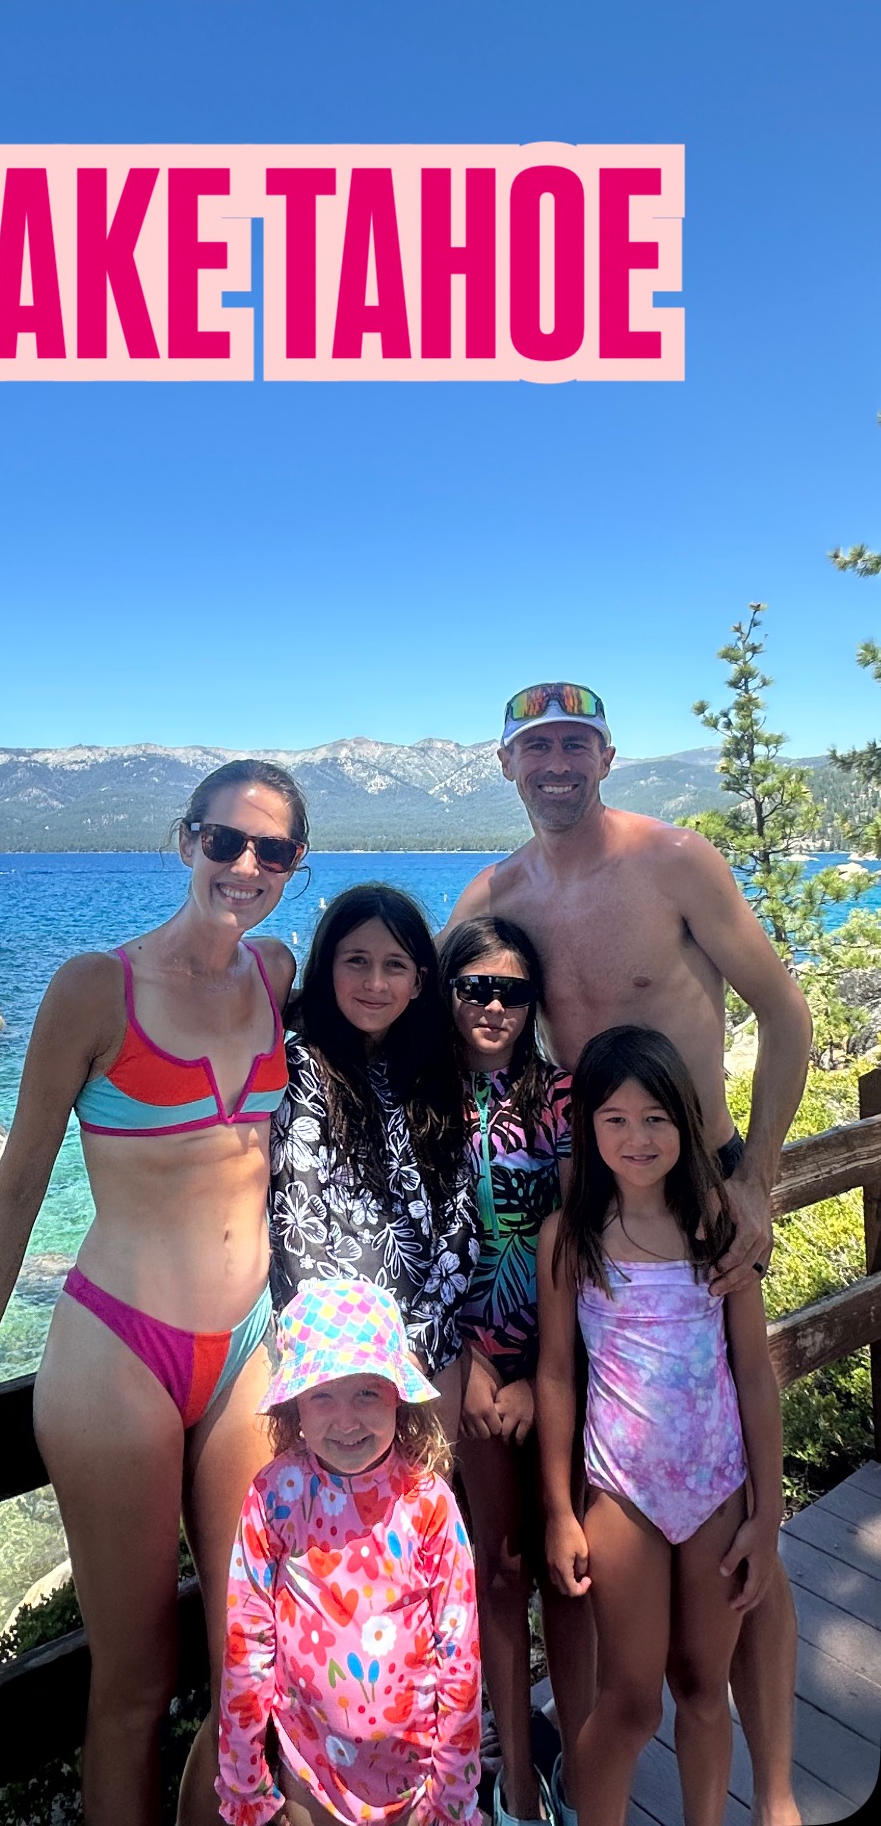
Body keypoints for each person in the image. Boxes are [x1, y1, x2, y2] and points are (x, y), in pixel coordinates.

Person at [0, 759, 306, 1826]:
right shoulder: (93, 987)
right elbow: (18, 1184)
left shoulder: (279, 972)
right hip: (119, 1346)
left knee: (254, 1670)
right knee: (133, 1686)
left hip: (251, 1337)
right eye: (224, 839)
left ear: (295, 865)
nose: (244, 865)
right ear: (184, 839)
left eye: (273, 849)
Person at [446, 682, 810, 1826]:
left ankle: (784, 1789)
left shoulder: (676, 861)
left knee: (748, 1512)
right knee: (616, 1504)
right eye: (534, 746)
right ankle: (601, 1748)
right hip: (592, 1241)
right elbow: (443, 1035)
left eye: (574, 742)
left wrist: (755, 1177)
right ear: (507, 764)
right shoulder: (494, 895)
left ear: (606, 754)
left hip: (703, 1221)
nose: (556, 761)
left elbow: (785, 1013)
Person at [536, 1026, 784, 1826]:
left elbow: (752, 1372)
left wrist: (767, 1514)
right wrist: (557, 1511)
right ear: (588, 1129)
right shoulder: (569, 1239)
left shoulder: (719, 1229)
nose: (635, 1137)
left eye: (654, 1118)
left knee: (703, 1690)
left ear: (682, 1121)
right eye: (613, 1118)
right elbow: (555, 1374)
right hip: (621, 1495)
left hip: (717, 1489)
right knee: (630, 1701)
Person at [216, 1275, 484, 1826]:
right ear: (296, 1407)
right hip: (308, 1771)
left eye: (366, 1390)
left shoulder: (429, 1504)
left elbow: (461, 1658)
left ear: (396, 1394)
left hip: (416, 1782)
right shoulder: (274, 1498)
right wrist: (247, 1786)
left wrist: (451, 1791)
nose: (347, 1418)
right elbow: (247, 1643)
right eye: (323, 1396)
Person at [438, 917, 595, 1826]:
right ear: (447, 993)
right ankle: (515, 1773)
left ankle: (582, 1753)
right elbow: (411, 1248)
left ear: (534, 1002)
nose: (492, 1005)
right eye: (473, 987)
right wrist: (475, 1372)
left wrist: (544, 1374)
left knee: (569, 1573)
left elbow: (574, 1240)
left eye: (511, 990)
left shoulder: (562, 1097)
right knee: (497, 1567)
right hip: (466, 1371)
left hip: (562, 1365)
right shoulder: (416, 1097)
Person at [269, 884, 478, 1441]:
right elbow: (299, 1223)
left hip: (431, 1353)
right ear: (326, 967)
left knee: (427, 1515)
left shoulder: (435, 1070)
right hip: (336, 1367)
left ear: (419, 983)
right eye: (356, 961)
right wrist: (361, 1359)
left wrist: (422, 1341)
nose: (375, 983)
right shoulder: (298, 1067)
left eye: (395, 965)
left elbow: (460, 1216)